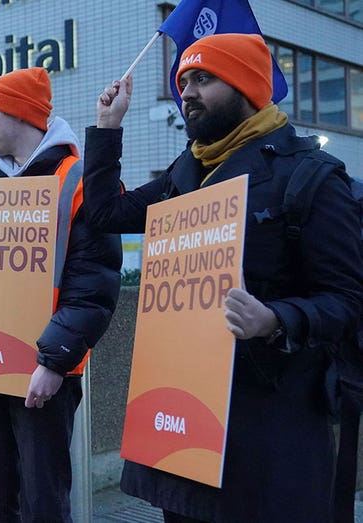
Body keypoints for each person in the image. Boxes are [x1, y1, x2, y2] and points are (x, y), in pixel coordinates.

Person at [84, 33, 363, 522]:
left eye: (204, 78)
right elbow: (105, 213)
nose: (187, 91)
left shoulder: (312, 175)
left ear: (247, 87)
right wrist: (108, 127)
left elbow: (346, 300)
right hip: (188, 428)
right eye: (183, 80)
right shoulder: (185, 173)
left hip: (272, 429)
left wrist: (275, 318)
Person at [0, 68, 122, 522]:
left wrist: (53, 360)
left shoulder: (78, 180)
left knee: (43, 503)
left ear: (17, 112)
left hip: (43, 368)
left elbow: (95, 282)